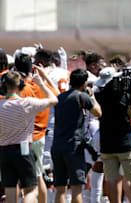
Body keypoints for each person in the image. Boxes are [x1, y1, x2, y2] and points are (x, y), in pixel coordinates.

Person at [0, 71, 58, 203]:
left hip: (4, 151)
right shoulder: (26, 103)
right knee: (31, 190)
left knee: (9, 190)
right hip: (23, 149)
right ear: (20, 85)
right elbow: (54, 100)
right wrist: (41, 84)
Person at [51, 69, 102, 203]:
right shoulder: (82, 97)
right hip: (73, 147)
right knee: (76, 187)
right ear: (84, 83)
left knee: (60, 188)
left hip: (57, 145)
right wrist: (92, 97)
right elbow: (98, 113)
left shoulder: (60, 97)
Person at [95, 65, 131, 203]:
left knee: (111, 179)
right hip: (125, 142)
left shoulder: (99, 96)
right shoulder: (124, 95)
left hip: (107, 143)